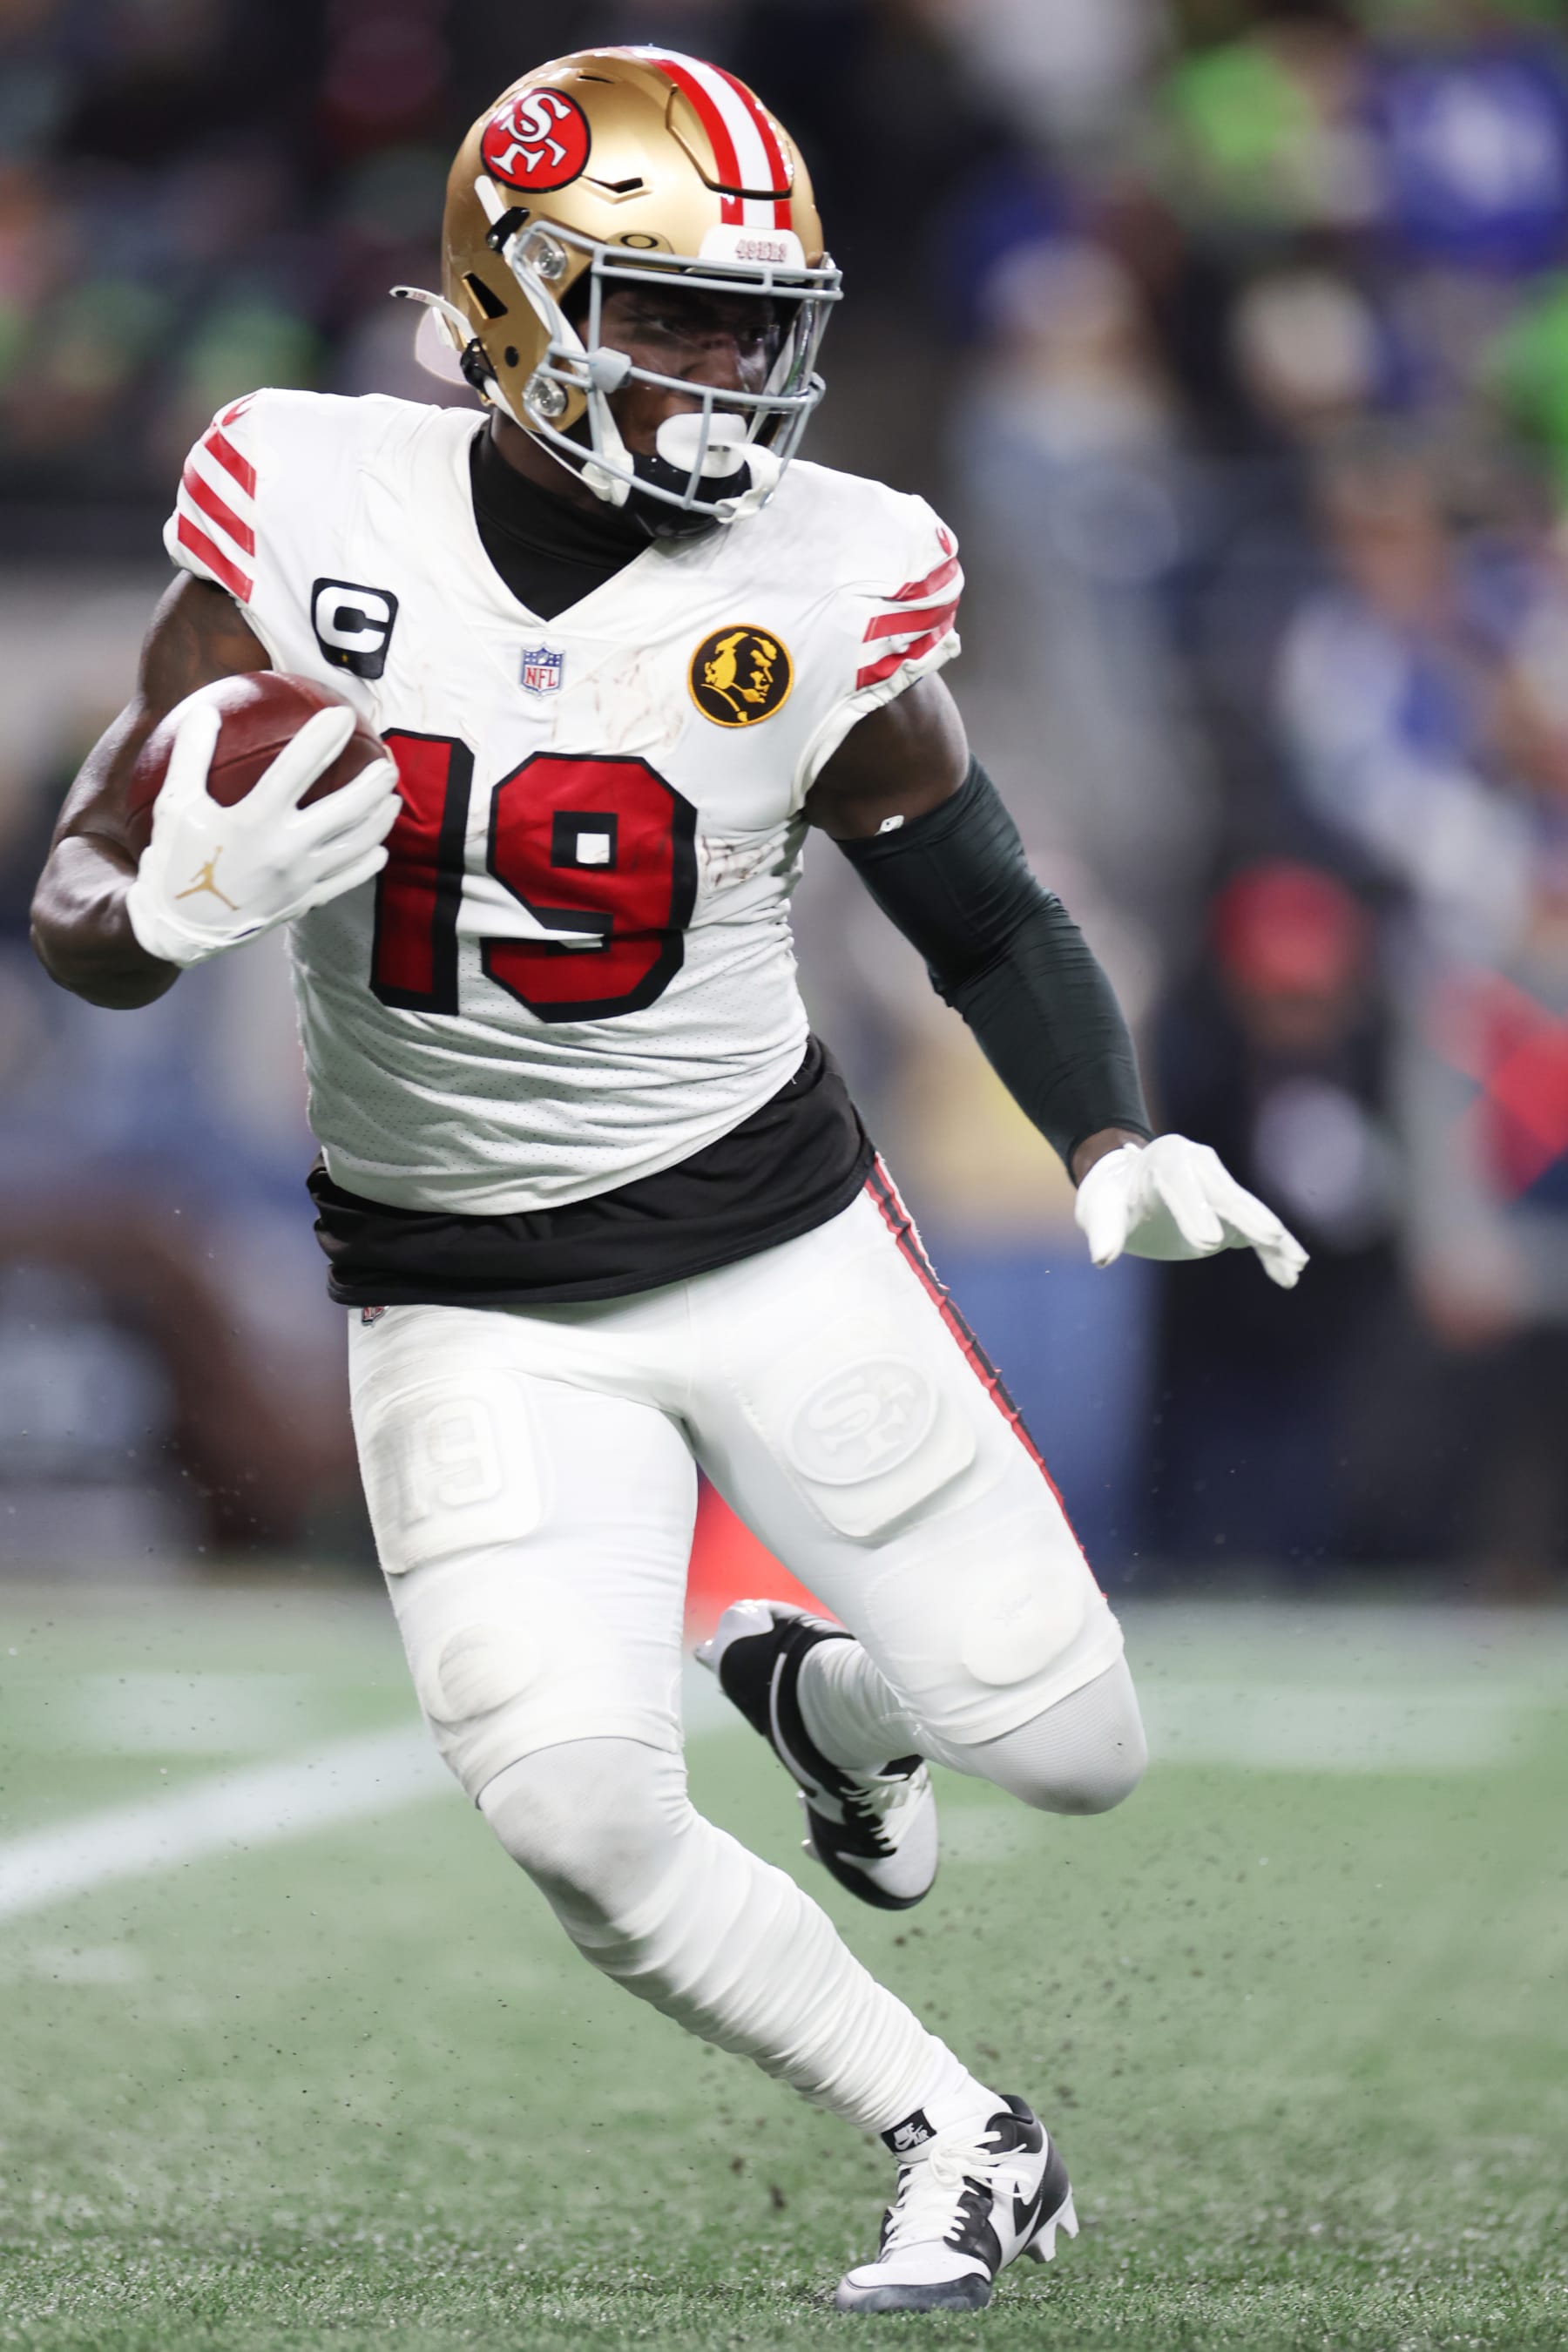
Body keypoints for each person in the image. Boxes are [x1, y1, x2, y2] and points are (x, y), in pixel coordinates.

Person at [29, 48, 1305, 2315]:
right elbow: (91, 913)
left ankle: (829, 1698)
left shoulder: (831, 572)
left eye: (753, 322)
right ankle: (962, 2131)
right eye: (669, 312)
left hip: (771, 1236)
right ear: (508, 299)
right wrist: (164, 913)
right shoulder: (308, 498)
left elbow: (986, 910)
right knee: (579, 1811)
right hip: (460, 1292)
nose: (728, 370)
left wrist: (1111, 1133)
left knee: (1079, 1748)